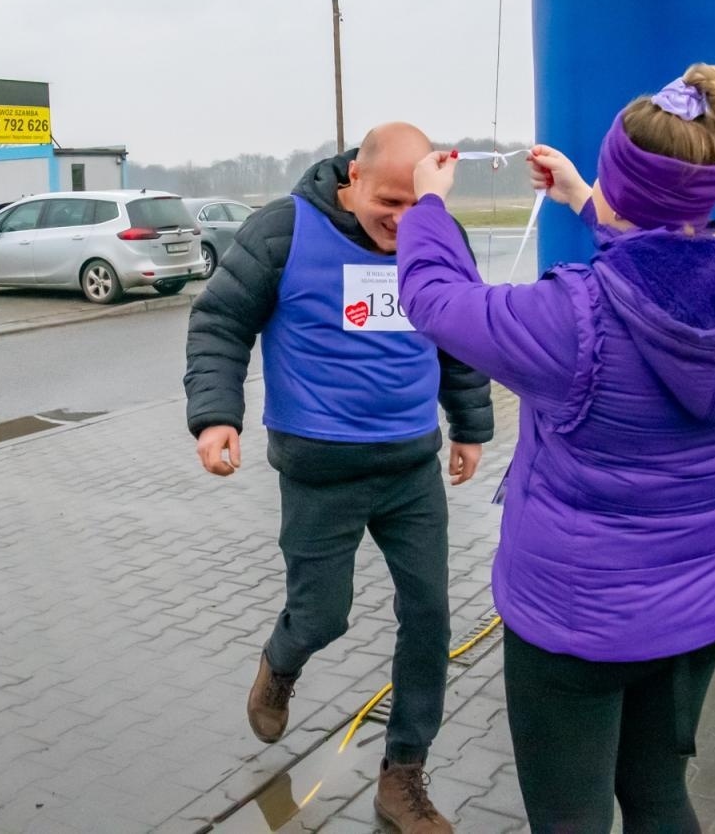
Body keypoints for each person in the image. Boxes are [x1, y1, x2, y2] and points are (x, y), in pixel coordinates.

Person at [396, 65, 715, 834]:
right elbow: (666, 273)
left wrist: (427, 204)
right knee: (656, 798)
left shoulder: (570, 319)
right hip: (698, 617)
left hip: (576, 631)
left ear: (625, 184)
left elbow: (436, 300)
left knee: (570, 821)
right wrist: (586, 198)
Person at [185, 122, 494, 834]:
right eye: (389, 201)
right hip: (319, 470)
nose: (404, 220)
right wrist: (214, 416)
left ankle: (403, 775)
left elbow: (458, 332)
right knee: (325, 613)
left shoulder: (435, 235)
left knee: (429, 618)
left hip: (410, 468)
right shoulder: (283, 232)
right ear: (351, 180)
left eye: (417, 204)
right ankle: (282, 659)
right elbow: (220, 323)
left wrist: (471, 426)